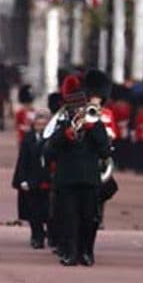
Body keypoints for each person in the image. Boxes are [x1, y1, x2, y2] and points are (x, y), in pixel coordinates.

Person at [46, 74, 110, 267]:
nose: (79, 111)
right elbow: (49, 151)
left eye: (81, 107)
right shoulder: (63, 125)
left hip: (89, 179)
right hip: (66, 180)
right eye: (75, 108)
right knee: (69, 218)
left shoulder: (96, 124)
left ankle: (87, 252)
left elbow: (105, 150)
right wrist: (65, 136)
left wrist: (94, 129)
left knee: (90, 218)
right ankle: (70, 252)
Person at [12, 108, 51, 249]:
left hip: (47, 180)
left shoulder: (52, 138)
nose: (40, 126)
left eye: (43, 124)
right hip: (32, 178)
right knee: (34, 211)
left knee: (48, 210)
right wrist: (21, 179)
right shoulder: (28, 138)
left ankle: (50, 234)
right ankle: (37, 236)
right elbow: (23, 160)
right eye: (38, 123)